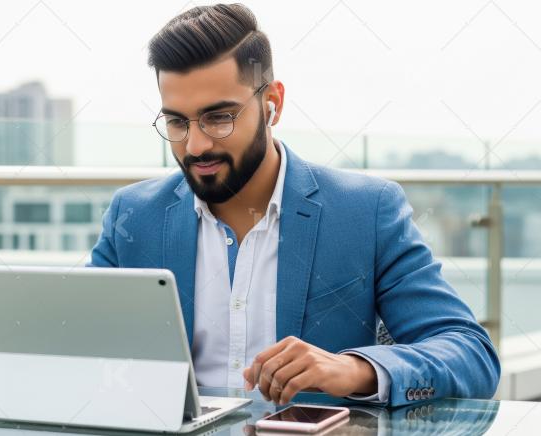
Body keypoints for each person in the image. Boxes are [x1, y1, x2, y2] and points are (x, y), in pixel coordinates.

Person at [88, 3, 499, 407]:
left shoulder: (366, 212)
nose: (196, 145)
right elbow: (72, 343)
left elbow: (470, 355)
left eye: (219, 118)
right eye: (178, 122)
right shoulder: (132, 215)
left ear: (273, 103)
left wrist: (355, 370)